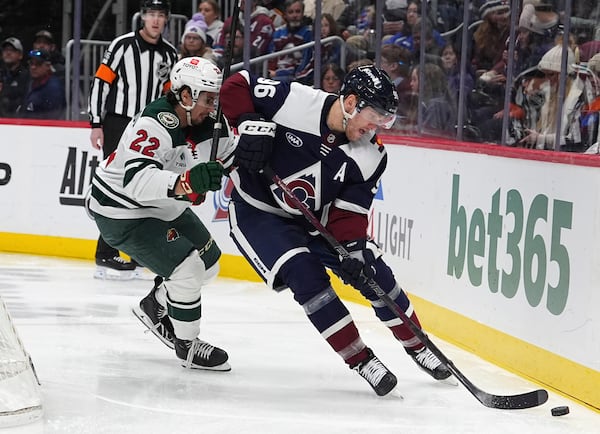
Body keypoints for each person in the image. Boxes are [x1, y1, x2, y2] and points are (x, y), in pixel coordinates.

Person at [220, 65, 451, 396]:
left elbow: (348, 214)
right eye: (374, 115)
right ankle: (361, 359)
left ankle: (418, 345)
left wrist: (354, 252)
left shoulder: (371, 154)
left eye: (385, 120)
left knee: (374, 273)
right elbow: (235, 84)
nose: (376, 126)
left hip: (316, 217)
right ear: (351, 102)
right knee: (305, 274)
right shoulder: (297, 101)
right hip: (259, 212)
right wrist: (247, 122)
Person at [87, 56, 235, 370]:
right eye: (208, 99)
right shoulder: (154, 123)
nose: (212, 107)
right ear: (185, 95)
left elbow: (234, 160)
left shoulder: (210, 123)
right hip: (121, 209)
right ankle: (187, 345)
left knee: (210, 263)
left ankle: (155, 304)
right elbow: (137, 182)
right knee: (187, 270)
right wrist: (188, 181)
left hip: (162, 203)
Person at [88, 0, 178, 279]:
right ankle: (105, 253)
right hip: (118, 122)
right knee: (117, 187)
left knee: (146, 188)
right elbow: (101, 82)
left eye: (160, 15)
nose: (155, 20)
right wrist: (96, 122)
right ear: (142, 17)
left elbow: (169, 98)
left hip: (150, 127)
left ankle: (138, 252)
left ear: (166, 20)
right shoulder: (121, 45)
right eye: (151, 14)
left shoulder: (170, 54)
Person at [267, 0, 314, 84]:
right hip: (275, 75)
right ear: (285, 14)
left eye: (298, 11)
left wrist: (279, 73)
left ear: (303, 13)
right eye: (291, 12)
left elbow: (306, 62)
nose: (295, 15)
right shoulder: (278, 33)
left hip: (296, 78)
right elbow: (271, 58)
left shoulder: (308, 33)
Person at [17, 49, 65, 119]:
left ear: (48, 66)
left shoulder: (53, 89)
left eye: (38, 64)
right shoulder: (31, 83)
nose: (33, 67)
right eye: (31, 63)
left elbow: (52, 119)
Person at [0, 37, 29, 118]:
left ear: (20, 55)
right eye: (5, 50)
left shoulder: (26, 76)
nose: (8, 53)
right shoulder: (1, 74)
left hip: (16, 122)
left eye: (12, 50)